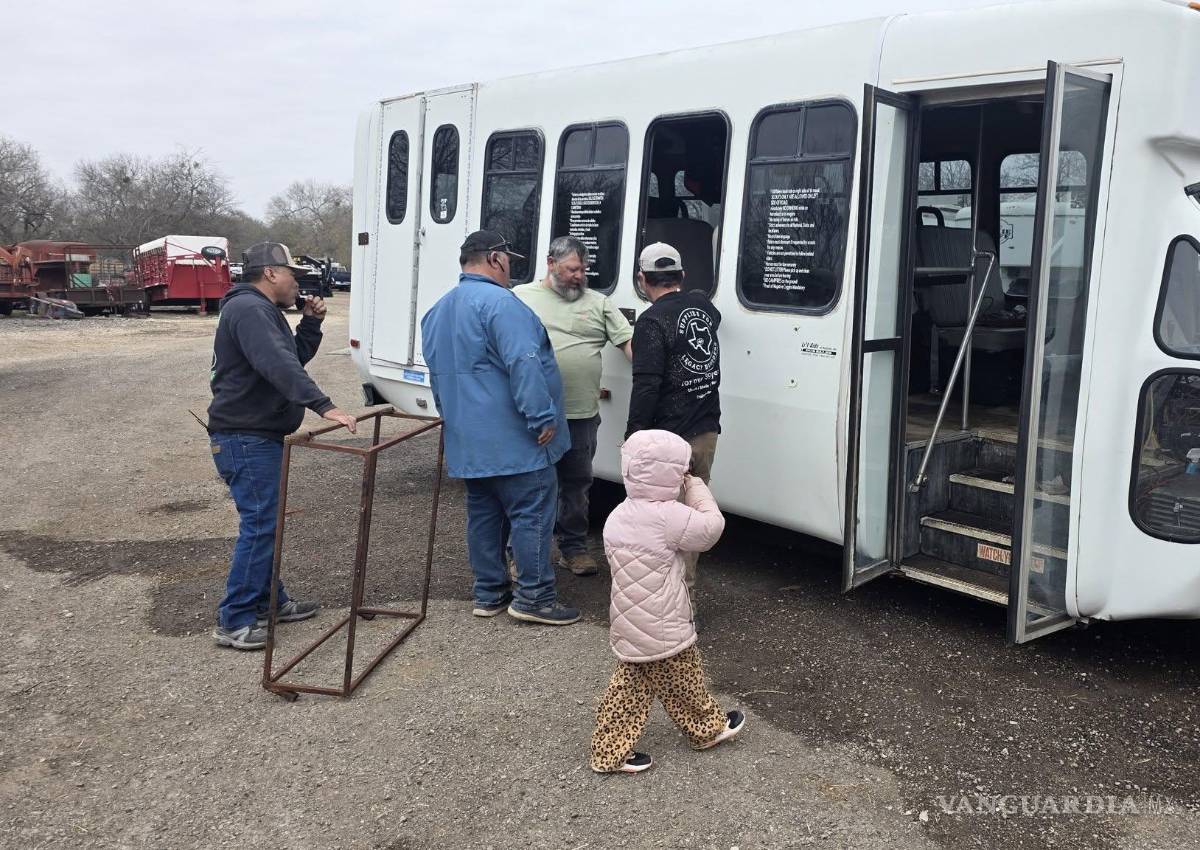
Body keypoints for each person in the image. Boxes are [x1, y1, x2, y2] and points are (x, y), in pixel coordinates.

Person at [420, 230, 580, 625]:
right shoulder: (503, 305)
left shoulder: (437, 310)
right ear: (495, 258)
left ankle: (489, 593)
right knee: (532, 513)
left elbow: (438, 378)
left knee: (484, 515)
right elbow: (525, 362)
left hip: (469, 441)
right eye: (508, 258)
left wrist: (450, 420)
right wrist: (541, 417)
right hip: (516, 440)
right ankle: (535, 598)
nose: (511, 266)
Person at [207, 241, 358, 651]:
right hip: (245, 437)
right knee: (261, 525)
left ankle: (269, 601)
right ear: (271, 273)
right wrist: (324, 406)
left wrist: (309, 325)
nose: (298, 282)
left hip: (255, 435)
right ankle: (234, 620)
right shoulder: (251, 309)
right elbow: (278, 364)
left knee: (265, 523)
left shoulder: (258, 310)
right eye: (293, 274)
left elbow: (287, 357)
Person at [589, 429, 745, 774]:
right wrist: (695, 487)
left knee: (636, 687)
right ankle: (707, 728)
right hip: (664, 621)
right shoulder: (667, 517)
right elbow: (711, 527)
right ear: (672, 474)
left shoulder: (618, 515)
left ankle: (612, 749)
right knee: (684, 678)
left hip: (630, 621)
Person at [514, 236, 633, 576]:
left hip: (581, 415)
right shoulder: (521, 298)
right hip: (533, 416)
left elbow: (628, 344)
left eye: (584, 269)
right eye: (572, 269)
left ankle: (573, 548)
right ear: (550, 263)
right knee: (531, 487)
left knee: (577, 484)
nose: (580, 276)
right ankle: (520, 556)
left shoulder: (599, 303)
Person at [625, 242, 722, 592]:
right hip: (706, 431)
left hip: (669, 441)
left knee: (663, 521)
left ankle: (669, 599)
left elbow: (647, 385)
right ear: (681, 275)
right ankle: (686, 595)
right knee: (695, 516)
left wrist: (634, 435)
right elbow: (715, 314)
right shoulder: (702, 307)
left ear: (642, 279)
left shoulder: (651, 322)